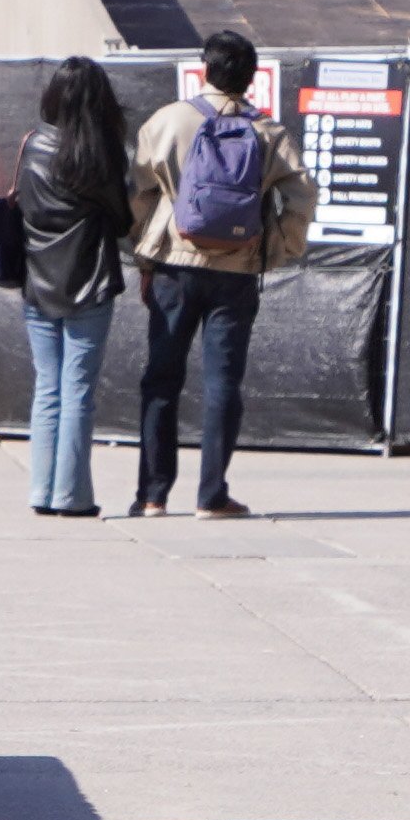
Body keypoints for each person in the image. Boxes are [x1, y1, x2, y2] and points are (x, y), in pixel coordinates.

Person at [125, 30, 313, 521]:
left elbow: (139, 192)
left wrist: (145, 249)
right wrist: (279, 247)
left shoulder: (167, 121)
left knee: (161, 379)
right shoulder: (268, 132)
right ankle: (211, 496)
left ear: (204, 70)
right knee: (223, 383)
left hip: (173, 267)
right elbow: (301, 195)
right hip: (238, 270)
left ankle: (152, 494)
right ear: (251, 79)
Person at [14, 56, 134, 517]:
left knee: (47, 387)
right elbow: (123, 222)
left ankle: (41, 492)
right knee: (77, 388)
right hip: (90, 281)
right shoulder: (101, 152)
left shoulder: (31, 145)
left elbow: (24, 207)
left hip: (38, 281)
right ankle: (72, 496)